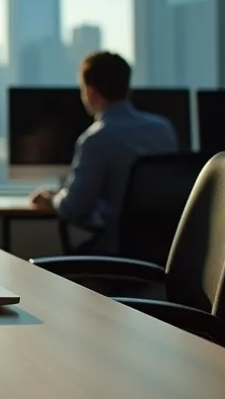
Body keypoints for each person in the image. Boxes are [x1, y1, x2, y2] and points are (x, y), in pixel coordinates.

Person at [30, 51, 178, 254]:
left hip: (117, 250)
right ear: (128, 89)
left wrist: (51, 200)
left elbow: (75, 209)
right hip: (164, 251)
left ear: (89, 91)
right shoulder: (163, 128)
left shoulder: (96, 139)